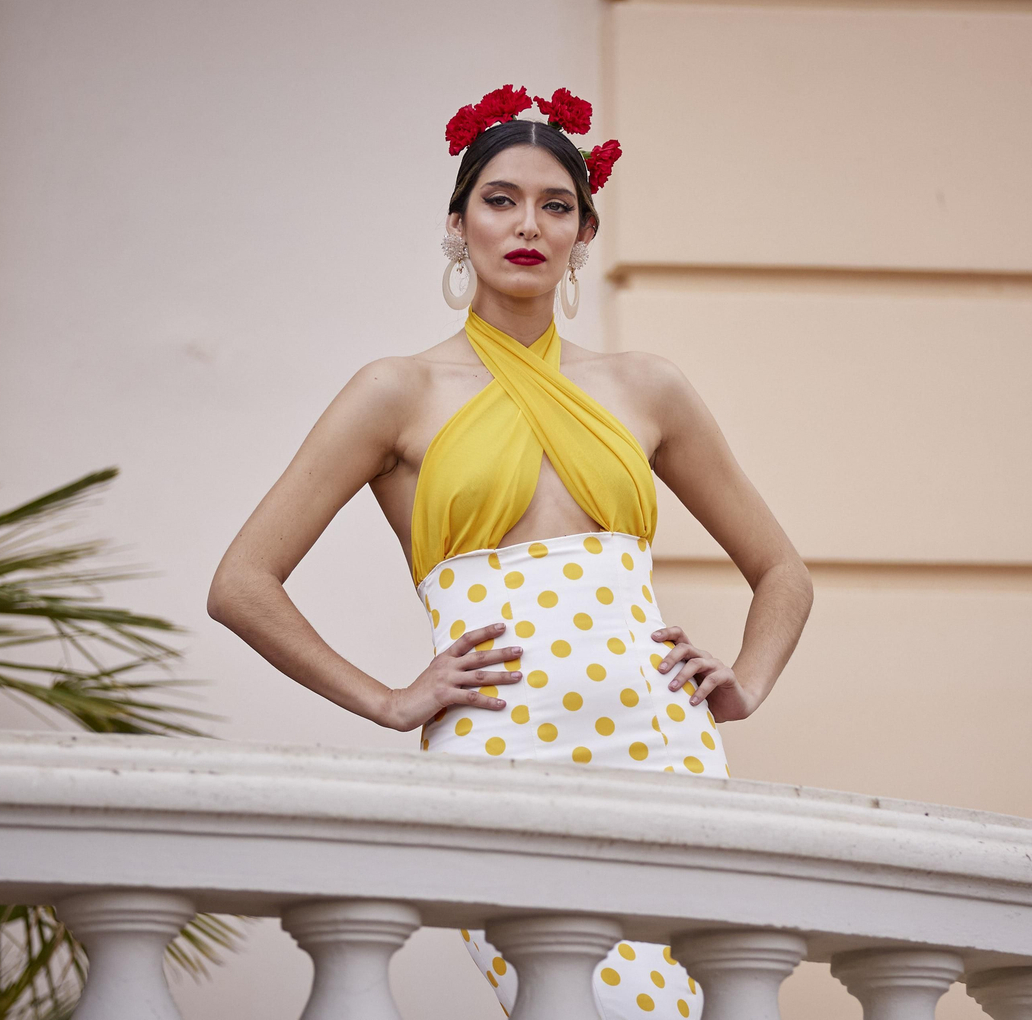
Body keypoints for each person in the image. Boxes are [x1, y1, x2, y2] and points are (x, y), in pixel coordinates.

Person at [206, 83, 814, 1019]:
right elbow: (242, 583)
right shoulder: (394, 391)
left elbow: (783, 572)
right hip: (501, 746)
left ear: (584, 232)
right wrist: (388, 700)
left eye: (555, 205)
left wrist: (748, 680)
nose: (528, 224)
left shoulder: (648, 386)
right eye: (501, 199)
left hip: (664, 747)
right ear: (458, 225)